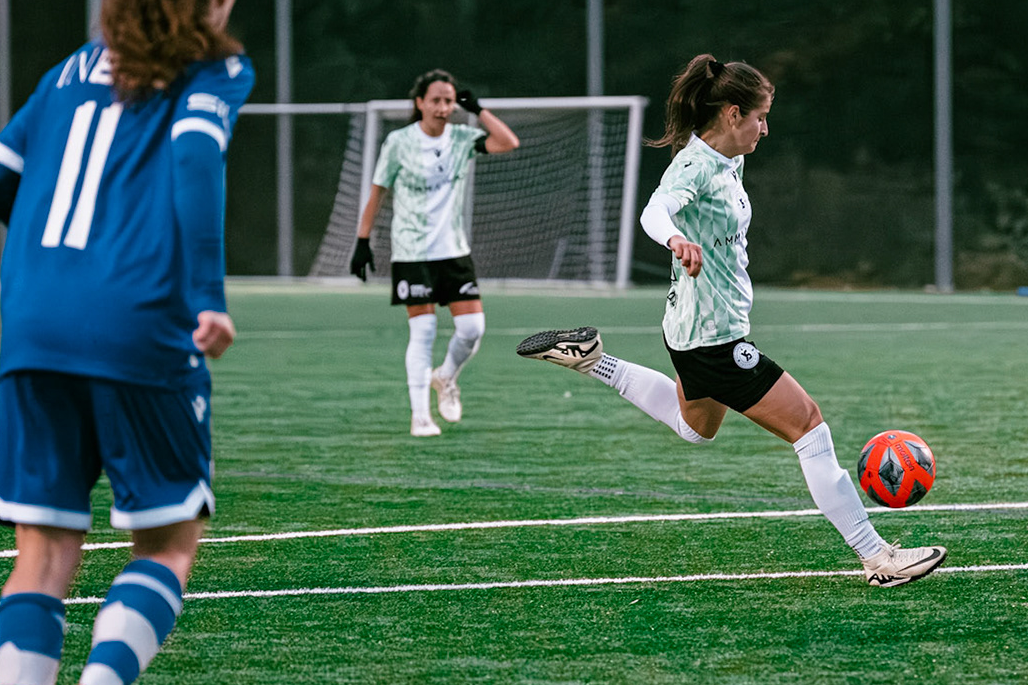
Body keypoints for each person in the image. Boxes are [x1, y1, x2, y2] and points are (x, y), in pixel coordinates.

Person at [0, 0, 253, 685]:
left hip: (34, 332)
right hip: (140, 324)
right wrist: (206, 295)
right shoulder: (212, 69)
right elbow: (195, 164)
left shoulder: (66, 73)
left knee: (43, 550)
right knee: (168, 540)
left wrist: (60, 262)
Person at [515, 54, 946, 588]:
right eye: (760, 117)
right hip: (712, 339)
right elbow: (655, 210)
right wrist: (674, 238)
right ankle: (877, 556)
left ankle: (594, 361)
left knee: (695, 431)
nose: (765, 129)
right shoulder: (694, 167)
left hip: (691, 330)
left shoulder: (727, 157)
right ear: (732, 113)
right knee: (810, 428)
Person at [349, 70, 520, 435]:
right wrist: (362, 242)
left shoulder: (461, 137)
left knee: (473, 328)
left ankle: (445, 377)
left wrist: (479, 110)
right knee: (423, 331)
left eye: (449, 100)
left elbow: (508, 142)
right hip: (412, 252)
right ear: (420, 103)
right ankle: (420, 416)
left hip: (453, 250)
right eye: (436, 100)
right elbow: (377, 192)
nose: (443, 107)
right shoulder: (399, 142)